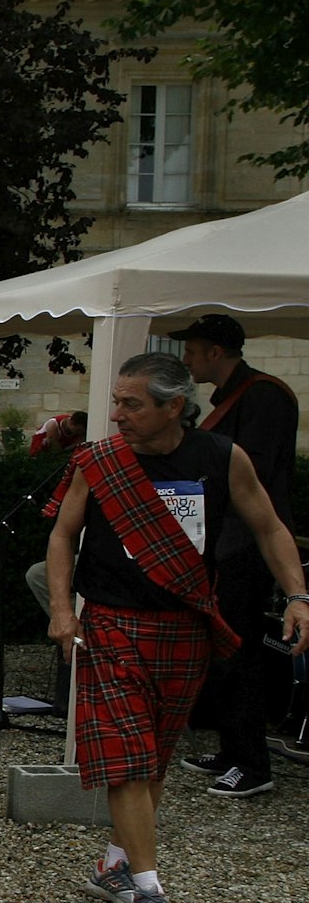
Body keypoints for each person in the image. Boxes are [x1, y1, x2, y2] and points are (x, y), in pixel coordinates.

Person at [47, 352, 309, 903]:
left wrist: (299, 595)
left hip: (186, 627)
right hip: (112, 625)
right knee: (126, 759)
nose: (116, 416)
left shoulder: (221, 458)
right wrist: (63, 610)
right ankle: (148, 892)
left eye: (131, 404)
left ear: (174, 407)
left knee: (154, 757)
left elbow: (269, 527)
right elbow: (63, 536)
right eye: (116, 401)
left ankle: (115, 865)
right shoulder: (100, 462)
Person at [171, 313, 300, 798]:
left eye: (192, 350)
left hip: (242, 545)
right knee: (222, 652)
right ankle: (231, 749)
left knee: (239, 651)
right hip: (224, 540)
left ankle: (253, 763)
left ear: (215, 353)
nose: (186, 359)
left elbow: (254, 479)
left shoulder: (264, 395)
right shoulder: (231, 397)